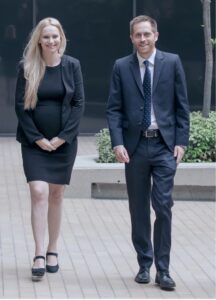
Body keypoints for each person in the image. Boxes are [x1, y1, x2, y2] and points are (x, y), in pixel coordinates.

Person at [106, 15, 189, 290]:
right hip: (135, 146)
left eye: (146, 34)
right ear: (131, 38)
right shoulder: (121, 66)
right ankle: (144, 263)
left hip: (165, 146)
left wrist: (181, 141)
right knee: (138, 208)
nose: (142, 39)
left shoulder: (172, 62)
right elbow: (114, 108)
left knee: (163, 206)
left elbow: (181, 106)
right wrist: (117, 143)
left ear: (156, 35)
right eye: (137, 35)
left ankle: (163, 270)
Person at [15, 17, 84, 281]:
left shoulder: (72, 66)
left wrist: (63, 137)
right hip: (35, 144)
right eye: (46, 37)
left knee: (56, 195)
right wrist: (38, 139)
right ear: (39, 40)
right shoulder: (27, 67)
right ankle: (38, 252)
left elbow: (79, 103)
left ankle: (53, 248)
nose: (51, 41)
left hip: (64, 144)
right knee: (38, 191)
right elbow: (20, 107)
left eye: (55, 36)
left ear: (61, 38)